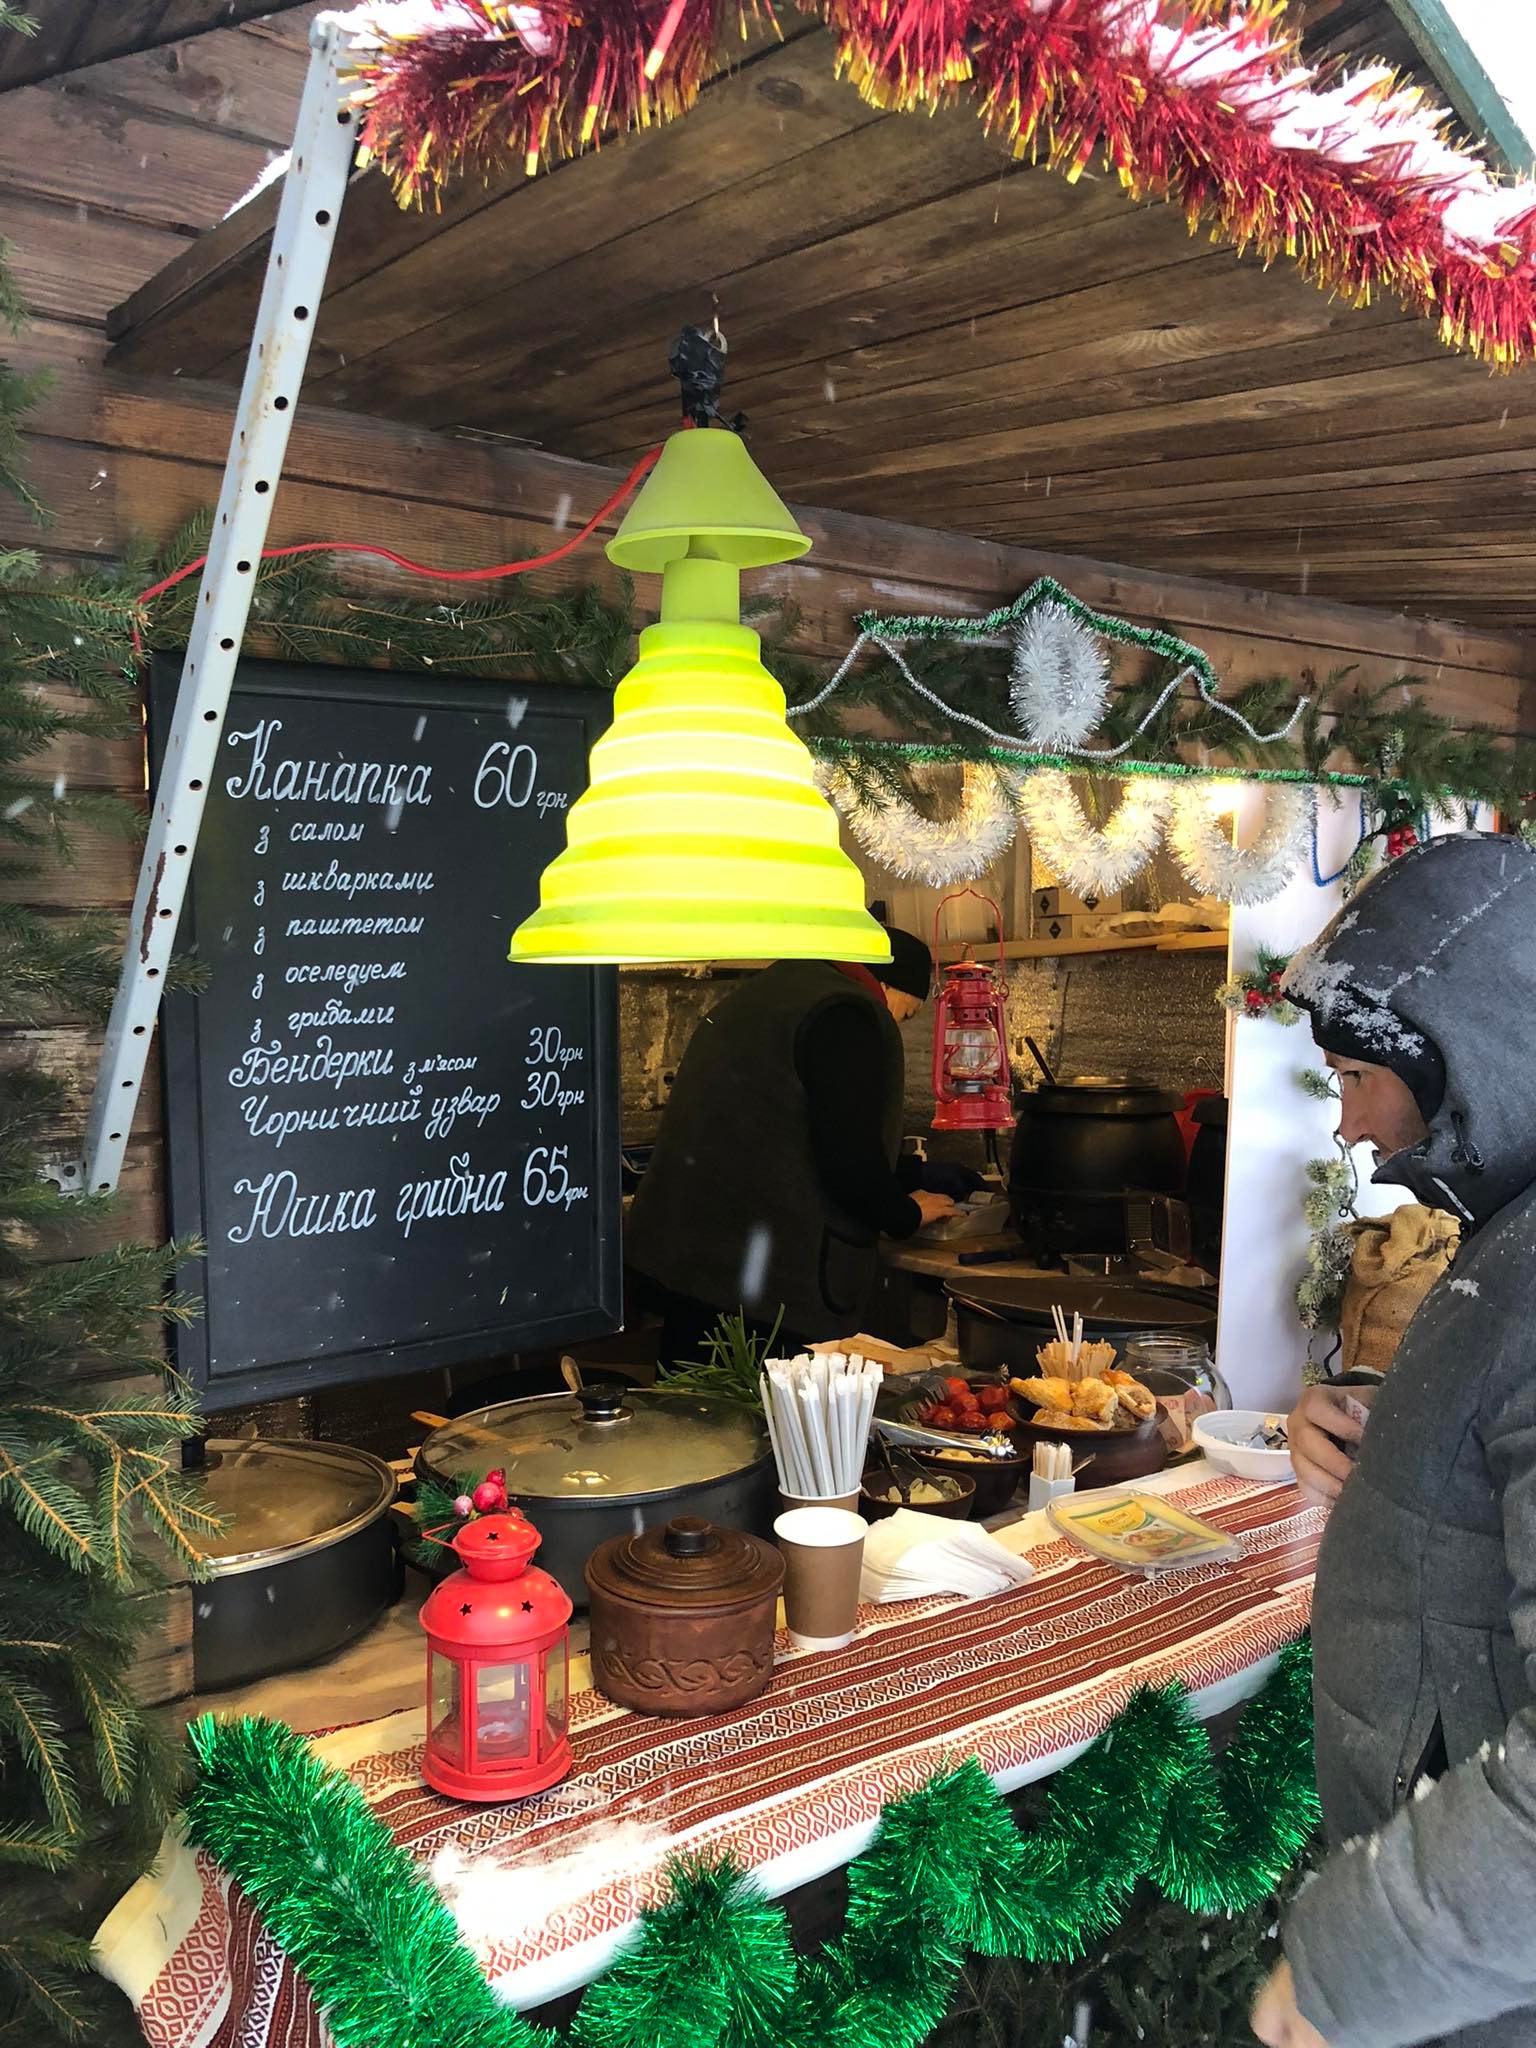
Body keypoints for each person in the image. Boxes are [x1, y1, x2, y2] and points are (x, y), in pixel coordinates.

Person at [1249, 832, 1536, 2048]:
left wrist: (1358, 1968)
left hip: (1478, 1983)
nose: (1353, 1127)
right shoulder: (1512, 1232)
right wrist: (1395, 1430)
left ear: (1479, 1055)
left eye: (1360, 1074)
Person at [625, 926, 960, 1368]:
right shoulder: (848, 1013)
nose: (897, 1022)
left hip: (687, 1267)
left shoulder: (765, 994)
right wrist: (906, 1213)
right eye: (907, 1012)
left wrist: (907, 1175)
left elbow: (781, 1130)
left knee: (695, 1403)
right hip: (769, 1291)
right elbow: (849, 1165)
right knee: (768, 1411)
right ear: (887, 985)